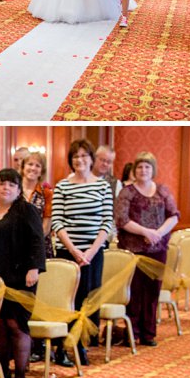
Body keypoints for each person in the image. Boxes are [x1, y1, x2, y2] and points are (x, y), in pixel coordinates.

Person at [0, 168, 46, 378]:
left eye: (11, 184)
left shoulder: (26, 211)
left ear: (18, 190)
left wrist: (34, 268)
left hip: (20, 278)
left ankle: (19, 375)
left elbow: (38, 241)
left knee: (15, 325)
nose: (6, 188)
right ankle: (2, 372)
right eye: (2, 183)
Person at [49, 138, 115, 366]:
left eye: (84, 156)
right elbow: (57, 221)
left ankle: (80, 344)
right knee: (67, 301)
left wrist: (90, 252)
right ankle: (62, 348)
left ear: (91, 159)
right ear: (71, 160)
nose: (80, 160)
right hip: (68, 252)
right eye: (76, 157)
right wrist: (75, 251)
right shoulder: (62, 185)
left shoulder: (103, 186)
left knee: (88, 300)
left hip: (93, 253)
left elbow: (107, 222)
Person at [115, 151, 180, 347]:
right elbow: (122, 219)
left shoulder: (162, 191)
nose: (143, 170)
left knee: (152, 291)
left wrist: (158, 233)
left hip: (158, 248)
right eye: (140, 167)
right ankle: (132, 332)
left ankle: (148, 333)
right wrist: (145, 231)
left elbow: (174, 215)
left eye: (147, 167)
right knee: (134, 291)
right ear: (134, 170)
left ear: (153, 170)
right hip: (133, 249)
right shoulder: (127, 192)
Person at [21, 148, 49, 218]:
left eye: (37, 166)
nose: (33, 168)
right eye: (30, 164)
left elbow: (46, 225)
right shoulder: (14, 191)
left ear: (41, 172)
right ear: (23, 167)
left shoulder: (47, 194)